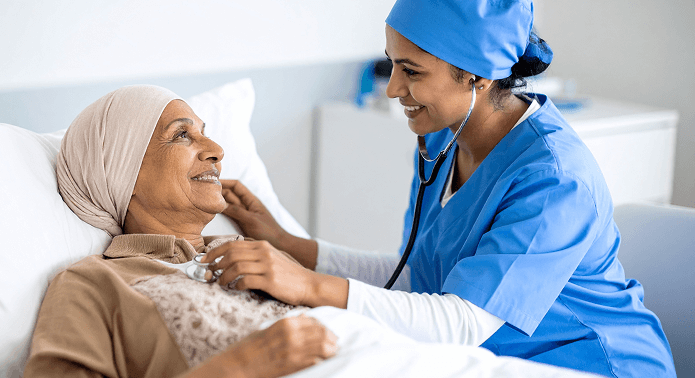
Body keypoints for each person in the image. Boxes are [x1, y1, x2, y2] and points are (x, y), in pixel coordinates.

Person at [202, 0, 677, 376]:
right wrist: (289, 245)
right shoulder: (441, 136)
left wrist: (308, 285)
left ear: (476, 73)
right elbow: (418, 277)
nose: (392, 89)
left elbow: (462, 321)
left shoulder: (554, 180)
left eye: (411, 71)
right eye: (391, 65)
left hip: (590, 364)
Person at [24, 85, 338, 378]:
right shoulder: (91, 285)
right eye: (181, 136)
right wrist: (239, 367)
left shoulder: (260, 251)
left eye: (205, 134)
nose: (217, 150)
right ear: (120, 173)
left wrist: (282, 241)